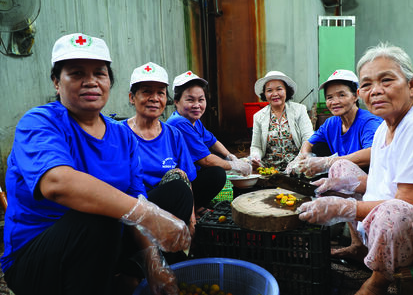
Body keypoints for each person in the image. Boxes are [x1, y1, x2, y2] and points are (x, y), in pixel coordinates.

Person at [0, 33, 190, 295]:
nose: (90, 82)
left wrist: (152, 260)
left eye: (99, 73)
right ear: (57, 82)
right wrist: (147, 214)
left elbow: (136, 196)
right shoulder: (41, 122)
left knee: (175, 191)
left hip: (103, 243)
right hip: (39, 258)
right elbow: (57, 183)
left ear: (109, 82)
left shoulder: (122, 135)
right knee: (102, 215)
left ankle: (130, 278)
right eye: (76, 73)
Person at [297, 42, 413, 295]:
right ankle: (362, 249)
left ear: (411, 85)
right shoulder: (383, 129)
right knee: (342, 168)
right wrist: (341, 184)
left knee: (393, 212)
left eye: (387, 80)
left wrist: (343, 206)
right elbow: (383, 181)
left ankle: (377, 281)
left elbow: (410, 204)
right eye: (367, 84)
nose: (376, 91)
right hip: (396, 216)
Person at [123, 61, 197, 247]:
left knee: (181, 181)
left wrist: (192, 217)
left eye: (160, 93)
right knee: (178, 187)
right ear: (132, 97)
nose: (154, 98)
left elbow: (187, 180)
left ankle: (174, 247)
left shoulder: (173, 134)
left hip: (168, 200)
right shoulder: (119, 133)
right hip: (134, 205)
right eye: (147, 91)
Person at [166, 71, 251, 217]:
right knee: (216, 174)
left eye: (201, 99)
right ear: (176, 101)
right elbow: (205, 160)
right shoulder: (179, 123)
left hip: (189, 176)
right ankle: (193, 207)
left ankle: (197, 205)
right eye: (190, 100)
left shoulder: (193, 121)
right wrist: (235, 166)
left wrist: (231, 156)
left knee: (217, 169)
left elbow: (212, 141)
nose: (197, 105)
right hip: (179, 183)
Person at [295, 69, 383, 176]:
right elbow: (308, 143)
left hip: (368, 180)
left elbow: (373, 153)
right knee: (318, 148)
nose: (335, 102)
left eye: (342, 95)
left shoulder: (369, 122)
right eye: (329, 97)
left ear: (355, 96)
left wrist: (328, 162)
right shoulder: (331, 123)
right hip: (343, 176)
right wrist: (306, 159)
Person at [250, 71, 314, 172]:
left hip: (297, 166)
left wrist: (297, 161)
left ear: (286, 91)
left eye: (279, 89)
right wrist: (255, 157)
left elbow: (309, 139)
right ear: (265, 94)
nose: (275, 94)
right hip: (269, 169)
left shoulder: (299, 110)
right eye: (269, 90)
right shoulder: (258, 116)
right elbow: (256, 146)